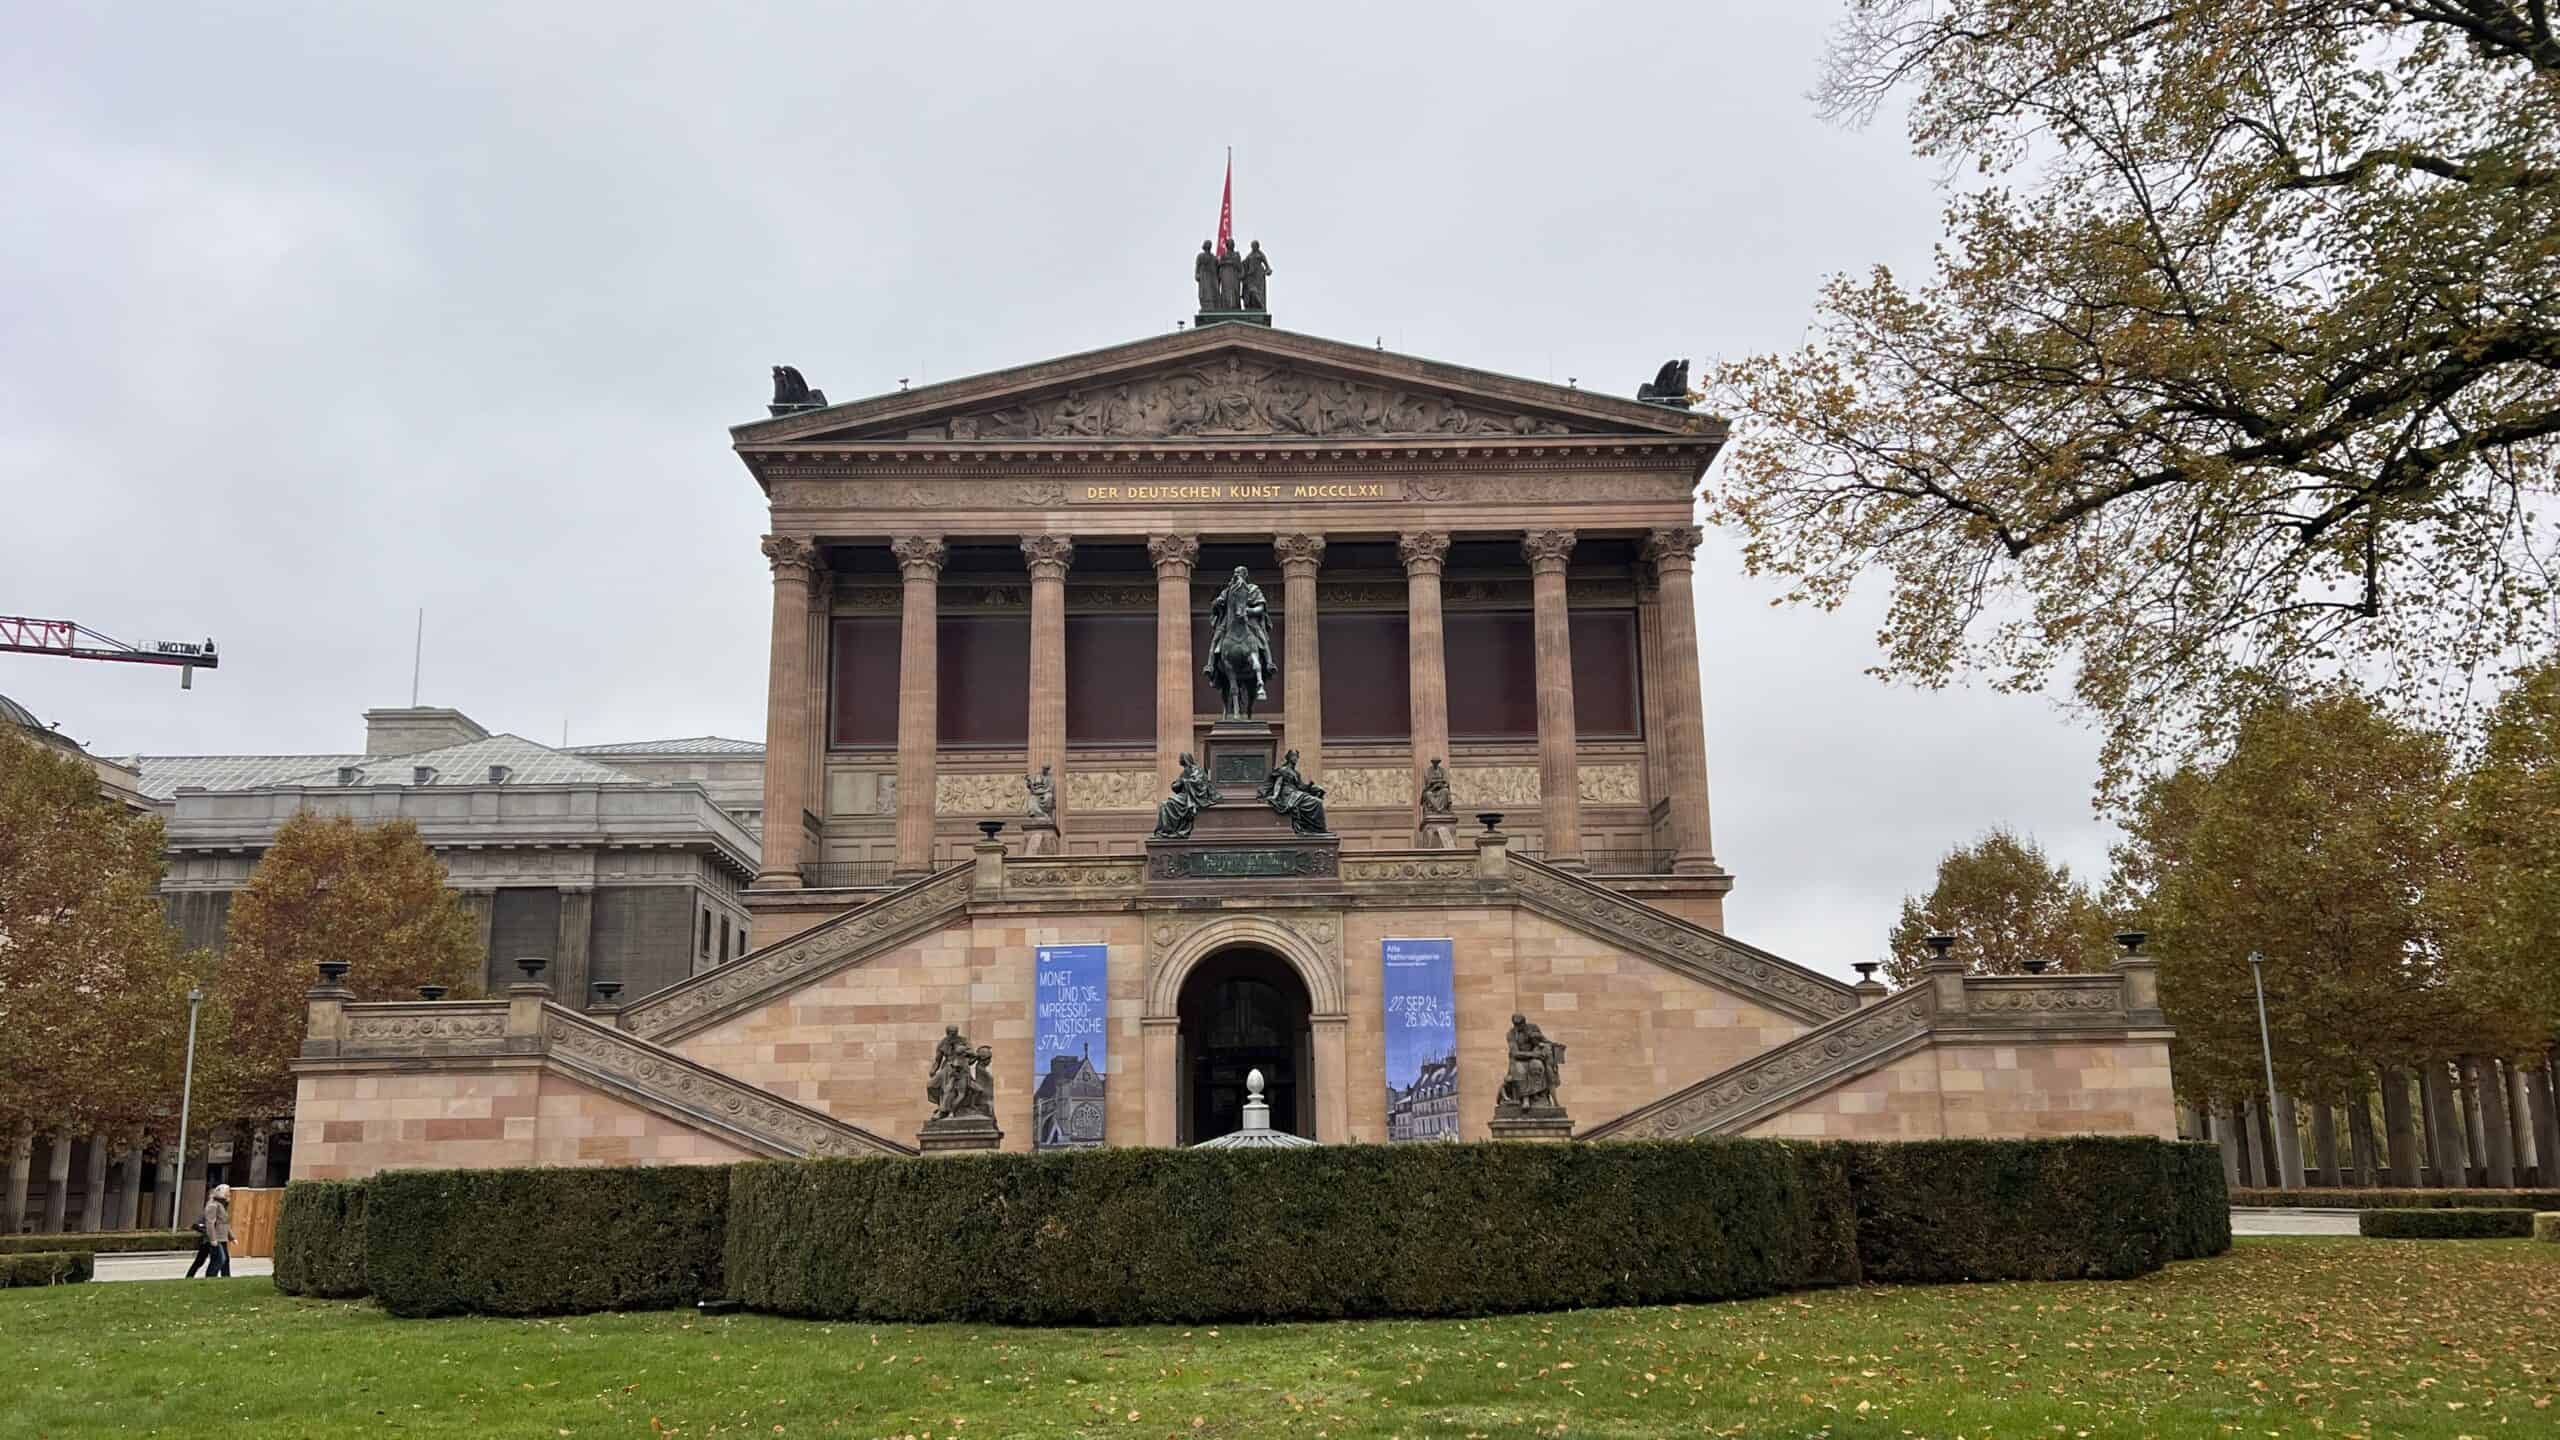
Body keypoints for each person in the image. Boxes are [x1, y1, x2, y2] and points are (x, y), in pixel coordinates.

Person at [199, 1184, 235, 1278]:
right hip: (216, 1238)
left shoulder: (222, 1205)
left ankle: (226, 1278)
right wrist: (213, 1239)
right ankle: (210, 1277)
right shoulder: (213, 1205)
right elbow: (210, 1223)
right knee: (219, 1259)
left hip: (222, 1238)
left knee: (225, 1259)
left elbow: (225, 1224)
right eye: (228, 1193)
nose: (229, 1195)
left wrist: (232, 1237)